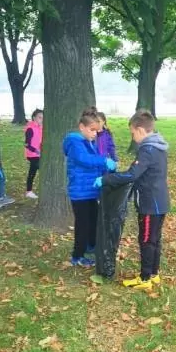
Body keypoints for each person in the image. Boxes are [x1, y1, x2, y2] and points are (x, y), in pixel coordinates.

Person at [94, 109, 170, 290]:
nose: (133, 137)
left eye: (133, 133)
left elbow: (132, 174)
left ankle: (145, 278)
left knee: (147, 240)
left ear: (141, 130)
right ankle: (153, 274)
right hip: (160, 201)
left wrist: (106, 179)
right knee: (154, 239)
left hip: (150, 203)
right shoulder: (159, 146)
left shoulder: (148, 150)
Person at [63, 108, 117, 268]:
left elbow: (94, 163)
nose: (95, 133)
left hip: (91, 191)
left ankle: (91, 245)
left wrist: (107, 171)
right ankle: (77, 256)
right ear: (82, 127)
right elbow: (84, 159)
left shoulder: (89, 142)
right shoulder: (74, 142)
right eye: (92, 130)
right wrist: (104, 161)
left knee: (94, 220)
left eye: (96, 130)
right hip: (80, 192)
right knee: (83, 225)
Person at [24, 108, 43, 199]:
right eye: (40, 117)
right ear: (34, 117)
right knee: (36, 170)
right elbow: (26, 144)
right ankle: (29, 191)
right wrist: (36, 150)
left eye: (43, 118)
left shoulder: (41, 127)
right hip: (32, 154)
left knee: (32, 172)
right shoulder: (30, 128)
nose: (41, 119)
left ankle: (29, 191)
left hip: (39, 154)